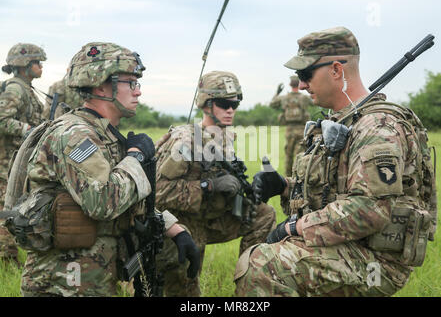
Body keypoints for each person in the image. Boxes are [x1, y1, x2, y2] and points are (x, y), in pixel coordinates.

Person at [234, 27, 437, 296]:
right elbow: (334, 188)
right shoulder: (340, 120)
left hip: (376, 262)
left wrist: (294, 226)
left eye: (305, 74)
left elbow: (369, 210)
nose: (302, 84)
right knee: (260, 246)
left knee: (264, 265)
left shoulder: (377, 128)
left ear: (336, 70)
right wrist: (284, 186)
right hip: (347, 245)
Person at [12, 42, 199, 296]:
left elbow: (127, 195)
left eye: (138, 83)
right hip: (64, 279)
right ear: (101, 85)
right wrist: (135, 157)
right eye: (130, 83)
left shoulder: (104, 134)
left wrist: (172, 228)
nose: (138, 92)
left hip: (93, 268)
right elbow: (102, 200)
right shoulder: (74, 135)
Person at [155, 70, 277, 296]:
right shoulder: (186, 141)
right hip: (181, 224)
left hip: (211, 217)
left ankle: (249, 281)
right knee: (187, 289)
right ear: (206, 104)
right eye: (223, 103)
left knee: (264, 214)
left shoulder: (227, 136)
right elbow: (158, 193)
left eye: (235, 104)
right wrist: (208, 187)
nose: (231, 110)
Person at [0, 43, 46, 263]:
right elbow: (2, 120)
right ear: (24, 65)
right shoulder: (15, 89)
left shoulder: (26, 89)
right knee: (5, 210)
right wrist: (30, 130)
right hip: (5, 162)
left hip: (15, 162)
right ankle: (6, 259)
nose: (40, 66)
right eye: (37, 62)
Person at [269, 75, 312, 177]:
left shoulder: (284, 98)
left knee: (288, 156)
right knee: (301, 156)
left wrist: (277, 92)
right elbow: (315, 101)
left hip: (289, 130)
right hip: (302, 130)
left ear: (289, 84)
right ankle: (299, 177)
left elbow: (272, 104)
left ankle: (287, 179)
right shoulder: (304, 98)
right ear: (299, 84)